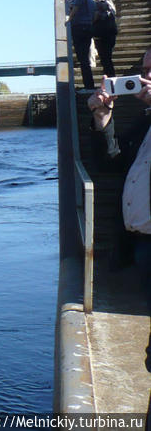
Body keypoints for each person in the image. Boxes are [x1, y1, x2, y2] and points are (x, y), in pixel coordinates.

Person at [87, 58, 151, 343]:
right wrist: (103, 117)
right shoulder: (144, 121)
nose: (146, 76)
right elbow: (111, 163)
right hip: (140, 243)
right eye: (145, 70)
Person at [67, 0, 95, 90]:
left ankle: (88, 86)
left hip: (78, 27)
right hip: (88, 27)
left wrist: (69, 20)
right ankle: (90, 84)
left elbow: (75, 9)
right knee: (86, 58)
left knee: (81, 57)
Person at [93, 0, 118, 78]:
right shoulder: (110, 2)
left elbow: (96, 17)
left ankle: (110, 78)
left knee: (105, 59)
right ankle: (111, 77)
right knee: (108, 57)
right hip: (111, 33)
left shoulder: (100, 3)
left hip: (102, 34)